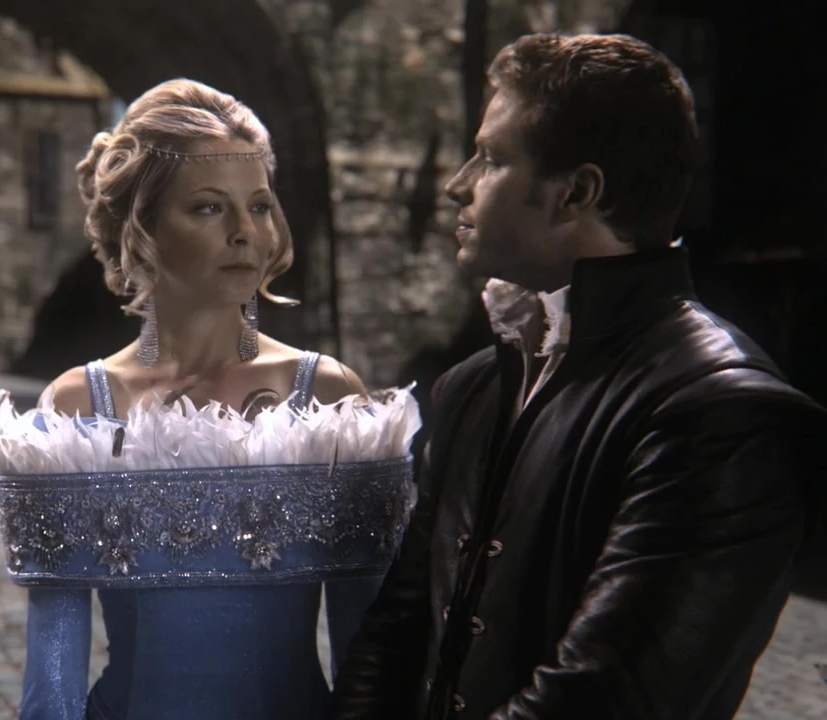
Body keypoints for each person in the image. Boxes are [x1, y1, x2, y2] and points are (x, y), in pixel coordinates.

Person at [330, 33, 826, 720]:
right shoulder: (476, 386)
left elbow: (604, 697)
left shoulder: (722, 412)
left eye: (492, 158)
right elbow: (398, 631)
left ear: (576, 193)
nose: (457, 184)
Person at [0, 79, 422, 720]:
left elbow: (370, 652)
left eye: (259, 206)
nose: (245, 232)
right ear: (142, 229)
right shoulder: (82, 403)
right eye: (209, 208)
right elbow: (53, 667)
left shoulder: (327, 395)